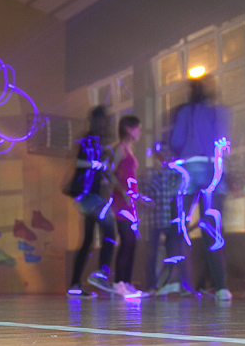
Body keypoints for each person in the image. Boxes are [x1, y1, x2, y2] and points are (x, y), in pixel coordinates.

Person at [166, 77, 233, 303]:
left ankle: (177, 281)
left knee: (178, 225)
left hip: (190, 167)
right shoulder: (221, 111)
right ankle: (221, 287)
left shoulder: (186, 111)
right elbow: (224, 141)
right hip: (214, 169)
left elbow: (177, 140)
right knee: (212, 229)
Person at [88, 115, 143, 298]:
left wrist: (137, 197)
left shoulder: (129, 149)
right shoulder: (120, 149)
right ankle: (120, 282)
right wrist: (122, 190)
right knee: (127, 239)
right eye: (137, 128)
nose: (139, 131)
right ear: (128, 128)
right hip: (122, 201)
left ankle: (126, 282)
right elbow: (109, 172)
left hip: (130, 201)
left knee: (132, 241)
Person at [64, 107, 117, 295]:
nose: (104, 123)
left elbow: (103, 171)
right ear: (96, 121)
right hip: (87, 196)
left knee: (87, 240)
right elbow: (78, 163)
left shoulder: (100, 142)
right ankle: (101, 274)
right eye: (102, 120)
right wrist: (95, 164)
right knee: (109, 230)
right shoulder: (88, 140)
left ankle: (74, 285)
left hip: (91, 196)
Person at [140, 144, 190, 296]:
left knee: (174, 252)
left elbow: (180, 189)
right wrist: (144, 200)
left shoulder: (174, 173)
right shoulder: (148, 175)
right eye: (158, 157)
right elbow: (142, 194)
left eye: (162, 157)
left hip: (169, 218)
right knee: (152, 254)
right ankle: (152, 285)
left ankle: (177, 284)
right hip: (154, 219)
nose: (160, 160)